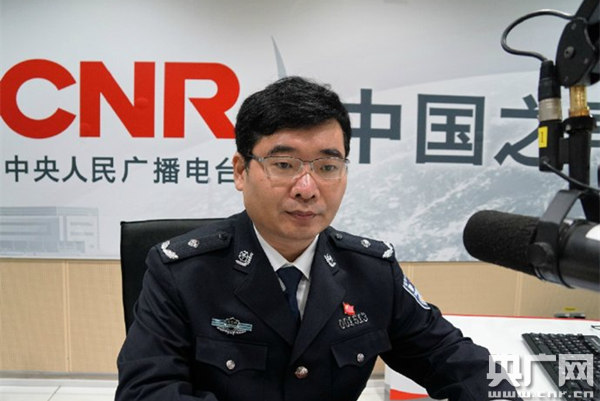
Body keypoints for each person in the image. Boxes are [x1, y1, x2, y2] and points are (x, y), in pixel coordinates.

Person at [115, 76, 520, 401]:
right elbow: (147, 391)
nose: (307, 188)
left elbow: (455, 359)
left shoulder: (372, 271)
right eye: (284, 164)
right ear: (240, 171)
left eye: (327, 167)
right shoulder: (181, 272)